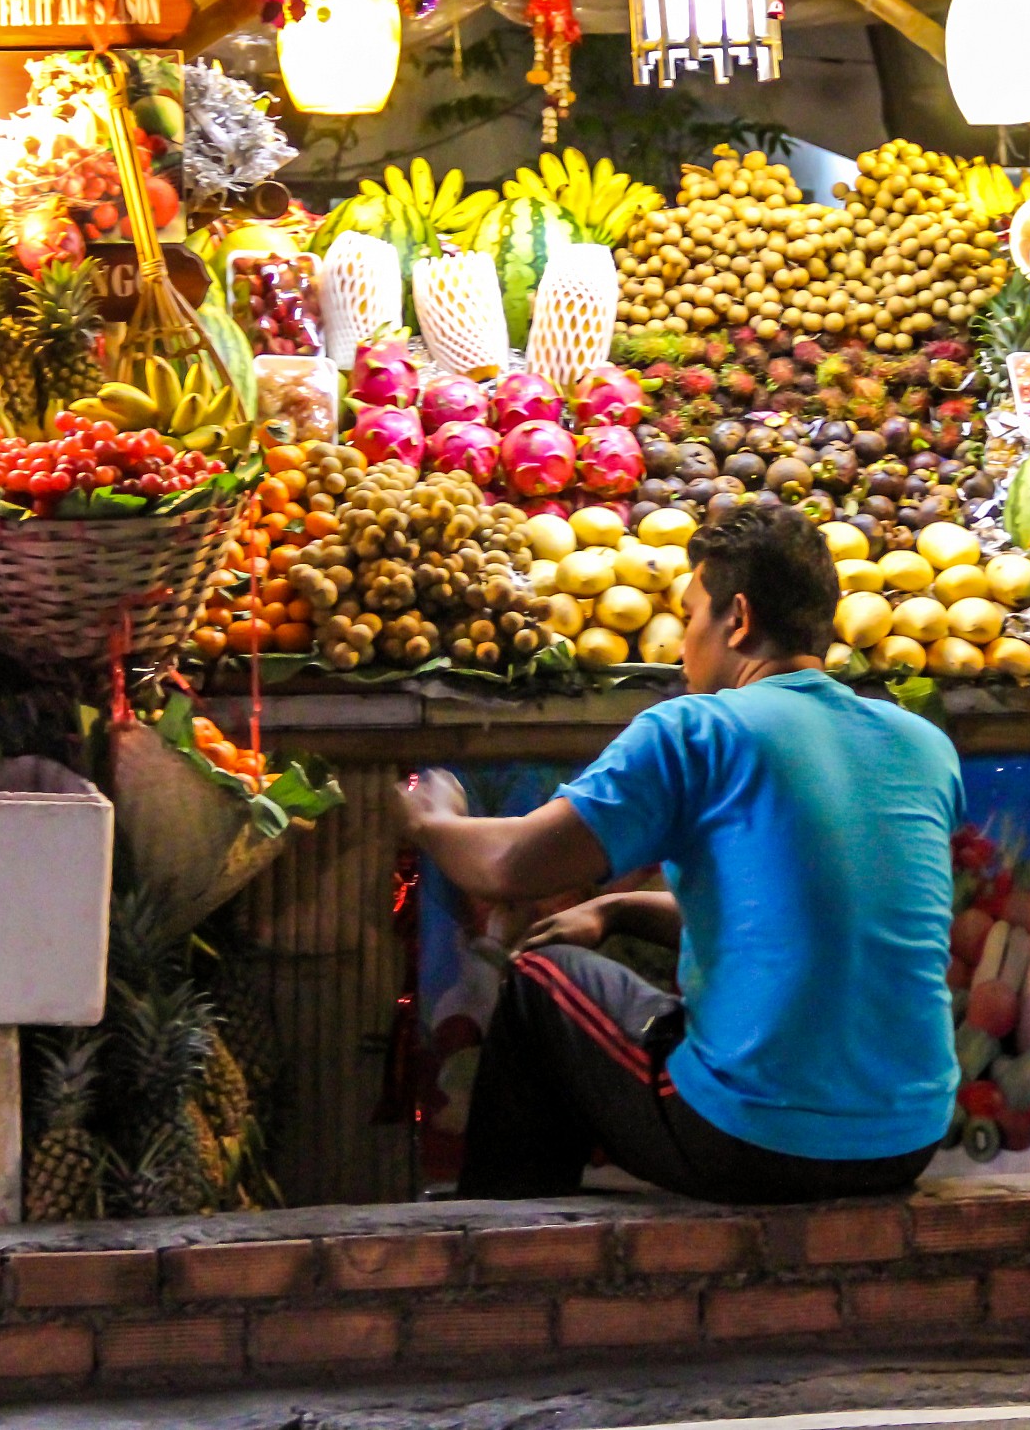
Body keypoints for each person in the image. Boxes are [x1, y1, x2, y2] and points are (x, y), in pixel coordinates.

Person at [396, 503, 962, 1203]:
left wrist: (433, 820)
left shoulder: (699, 729)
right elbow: (809, 920)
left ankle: (502, 1253)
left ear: (739, 619)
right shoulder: (922, 744)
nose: (682, 642)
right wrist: (619, 911)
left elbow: (512, 866)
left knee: (544, 981)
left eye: (691, 613)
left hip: (749, 1140)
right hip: (905, 1140)